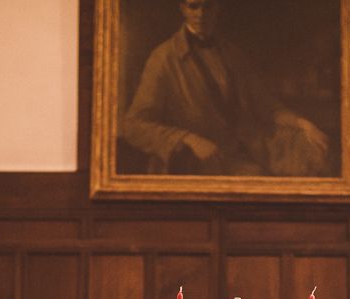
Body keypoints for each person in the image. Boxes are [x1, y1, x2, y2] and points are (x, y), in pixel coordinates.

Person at [122, 0, 330, 176]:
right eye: (194, 6)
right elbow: (134, 126)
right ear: (182, 8)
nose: (201, 14)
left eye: (208, 6)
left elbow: (264, 104)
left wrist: (302, 123)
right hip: (199, 163)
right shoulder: (163, 58)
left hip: (248, 147)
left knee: (318, 153)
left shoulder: (231, 53)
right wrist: (188, 139)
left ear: (218, 7)